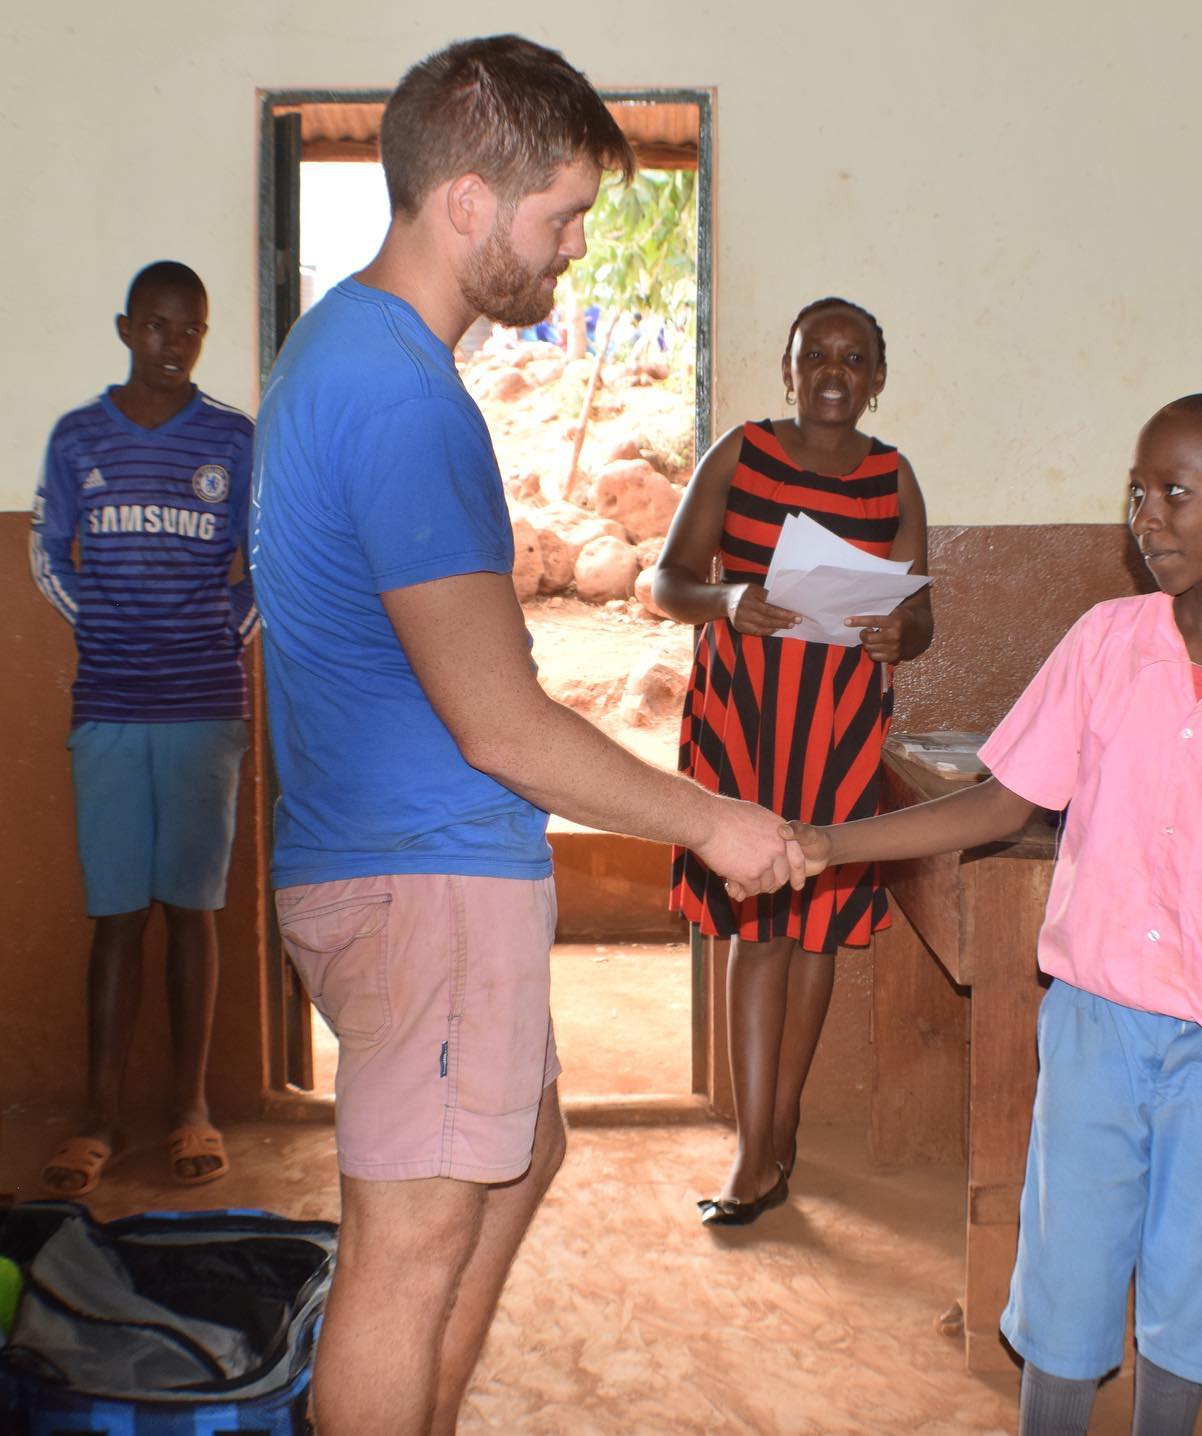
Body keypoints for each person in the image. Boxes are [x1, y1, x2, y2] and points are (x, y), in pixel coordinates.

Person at [249, 36, 802, 1436]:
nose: (574, 249)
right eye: (561, 216)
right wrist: (715, 821)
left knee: (521, 1151)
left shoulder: (339, 347)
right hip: (424, 877)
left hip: (398, 863)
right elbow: (500, 725)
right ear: (469, 205)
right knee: (410, 1247)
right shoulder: (401, 396)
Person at [780, 392, 1202, 1435]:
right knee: (1066, 1270)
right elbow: (1002, 800)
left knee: (1200, 1280)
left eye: (1175, 492)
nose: (1147, 517)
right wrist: (827, 842)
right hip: (1097, 1018)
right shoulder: (1105, 642)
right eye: (1137, 492)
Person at [654, 296, 933, 1224]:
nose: (833, 373)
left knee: (816, 930)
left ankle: (783, 1124)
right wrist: (727, 601)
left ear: (877, 379)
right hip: (746, 724)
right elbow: (667, 580)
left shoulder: (894, 478)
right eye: (816, 354)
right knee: (758, 924)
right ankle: (752, 1149)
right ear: (788, 368)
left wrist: (900, 633)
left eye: (853, 359)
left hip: (839, 729)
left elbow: (920, 616)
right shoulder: (740, 454)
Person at [29, 260, 255, 1198]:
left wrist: (216, 633)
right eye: (158, 326)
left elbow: (266, 562)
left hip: (205, 708)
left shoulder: (233, 439)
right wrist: (108, 627)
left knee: (193, 913)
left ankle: (191, 1110)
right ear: (127, 329)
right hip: (111, 708)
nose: (174, 344)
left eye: (191, 328)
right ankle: (99, 1117)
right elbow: (48, 552)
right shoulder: (78, 435)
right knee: (117, 917)